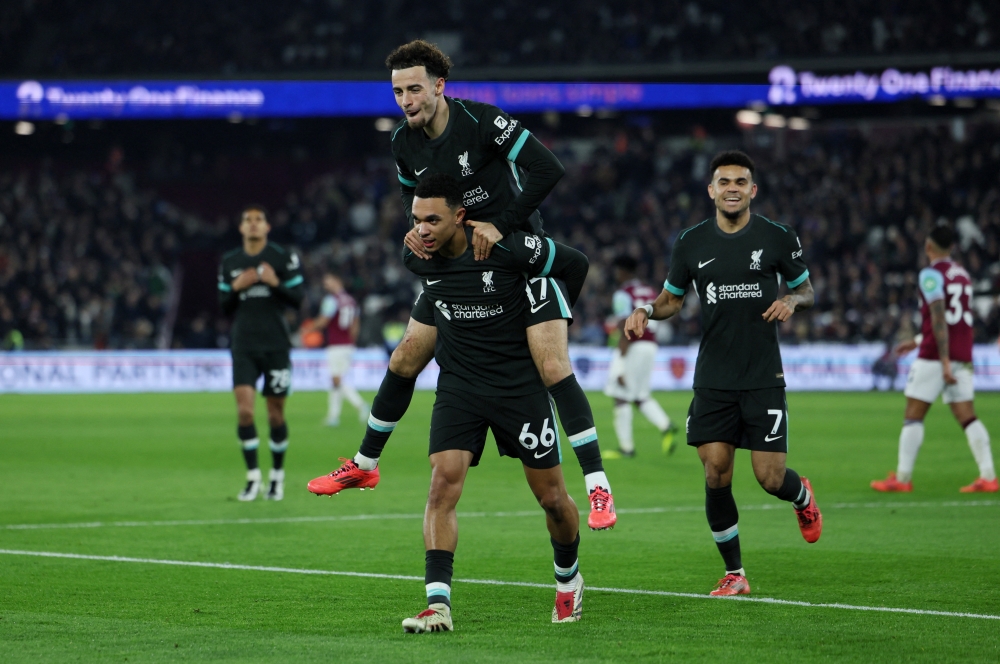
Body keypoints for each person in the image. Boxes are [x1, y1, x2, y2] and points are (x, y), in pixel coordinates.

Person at [308, 39, 615, 530]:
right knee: (406, 355)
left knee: (553, 365)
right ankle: (364, 466)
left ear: (439, 86)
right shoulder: (401, 143)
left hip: (514, 257)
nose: (406, 100)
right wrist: (418, 235)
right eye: (397, 92)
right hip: (456, 261)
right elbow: (419, 202)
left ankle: (599, 489)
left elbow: (547, 168)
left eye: (414, 89)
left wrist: (505, 224)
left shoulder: (483, 122)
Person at [327, 175, 586, 631]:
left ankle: (568, 580)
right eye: (416, 220)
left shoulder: (503, 252)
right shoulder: (424, 261)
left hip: (518, 389)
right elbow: (412, 262)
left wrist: (557, 316)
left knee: (552, 500)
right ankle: (437, 604)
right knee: (441, 486)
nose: (422, 229)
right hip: (460, 387)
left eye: (432, 220)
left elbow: (572, 263)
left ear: (461, 218)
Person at [624, 150, 822, 597]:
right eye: (724, 181)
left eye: (741, 182)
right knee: (716, 473)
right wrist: (645, 310)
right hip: (713, 377)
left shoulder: (776, 237)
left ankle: (802, 497)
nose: (732, 188)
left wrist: (792, 300)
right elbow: (671, 300)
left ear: (752, 190)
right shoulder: (691, 242)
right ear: (711, 190)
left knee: (771, 478)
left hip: (763, 376)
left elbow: (806, 288)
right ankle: (735, 574)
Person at [871, 226, 996, 493]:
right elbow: (954, 318)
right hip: (962, 353)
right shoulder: (962, 274)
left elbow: (939, 316)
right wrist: (917, 339)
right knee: (968, 416)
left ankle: (902, 480)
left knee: (913, 415)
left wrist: (943, 360)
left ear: (929, 247)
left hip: (937, 357)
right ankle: (988, 476)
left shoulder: (930, 275)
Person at [218, 205, 304, 501]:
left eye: (258, 220)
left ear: (267, 226)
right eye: (247, 220)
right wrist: (234, 287)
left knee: (275, 415)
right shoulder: (230, 262)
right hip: (243, 345)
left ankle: (276, 478)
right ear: (241, 228)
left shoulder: (282, 257)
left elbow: (298, 300)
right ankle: (253, 477)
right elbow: (223, 306)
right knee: (244, 411)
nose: (253, 224)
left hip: (276, 346)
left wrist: (274, 283)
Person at [604, 255, 678, 457]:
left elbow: (622, 325)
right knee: (639, 394)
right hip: (651, 344)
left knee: (620, 394)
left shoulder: (623, 293)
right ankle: (666, 425)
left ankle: (626, 447)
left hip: (633, 345)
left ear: (623, 271)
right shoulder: (651, 291)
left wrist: (619, 363)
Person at [305, 272, 368, 427]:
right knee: (336, 382)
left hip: (336, 345)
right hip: (347, 344)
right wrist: (352, 341)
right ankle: (333, 416)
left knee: (336, 379)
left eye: (328, 282)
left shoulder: (331, 300)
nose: (326, 285)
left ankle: (361, 405)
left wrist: (307, 330)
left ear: (337, 281)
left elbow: (323, 320)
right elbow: (355, 323)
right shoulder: (351, 300)